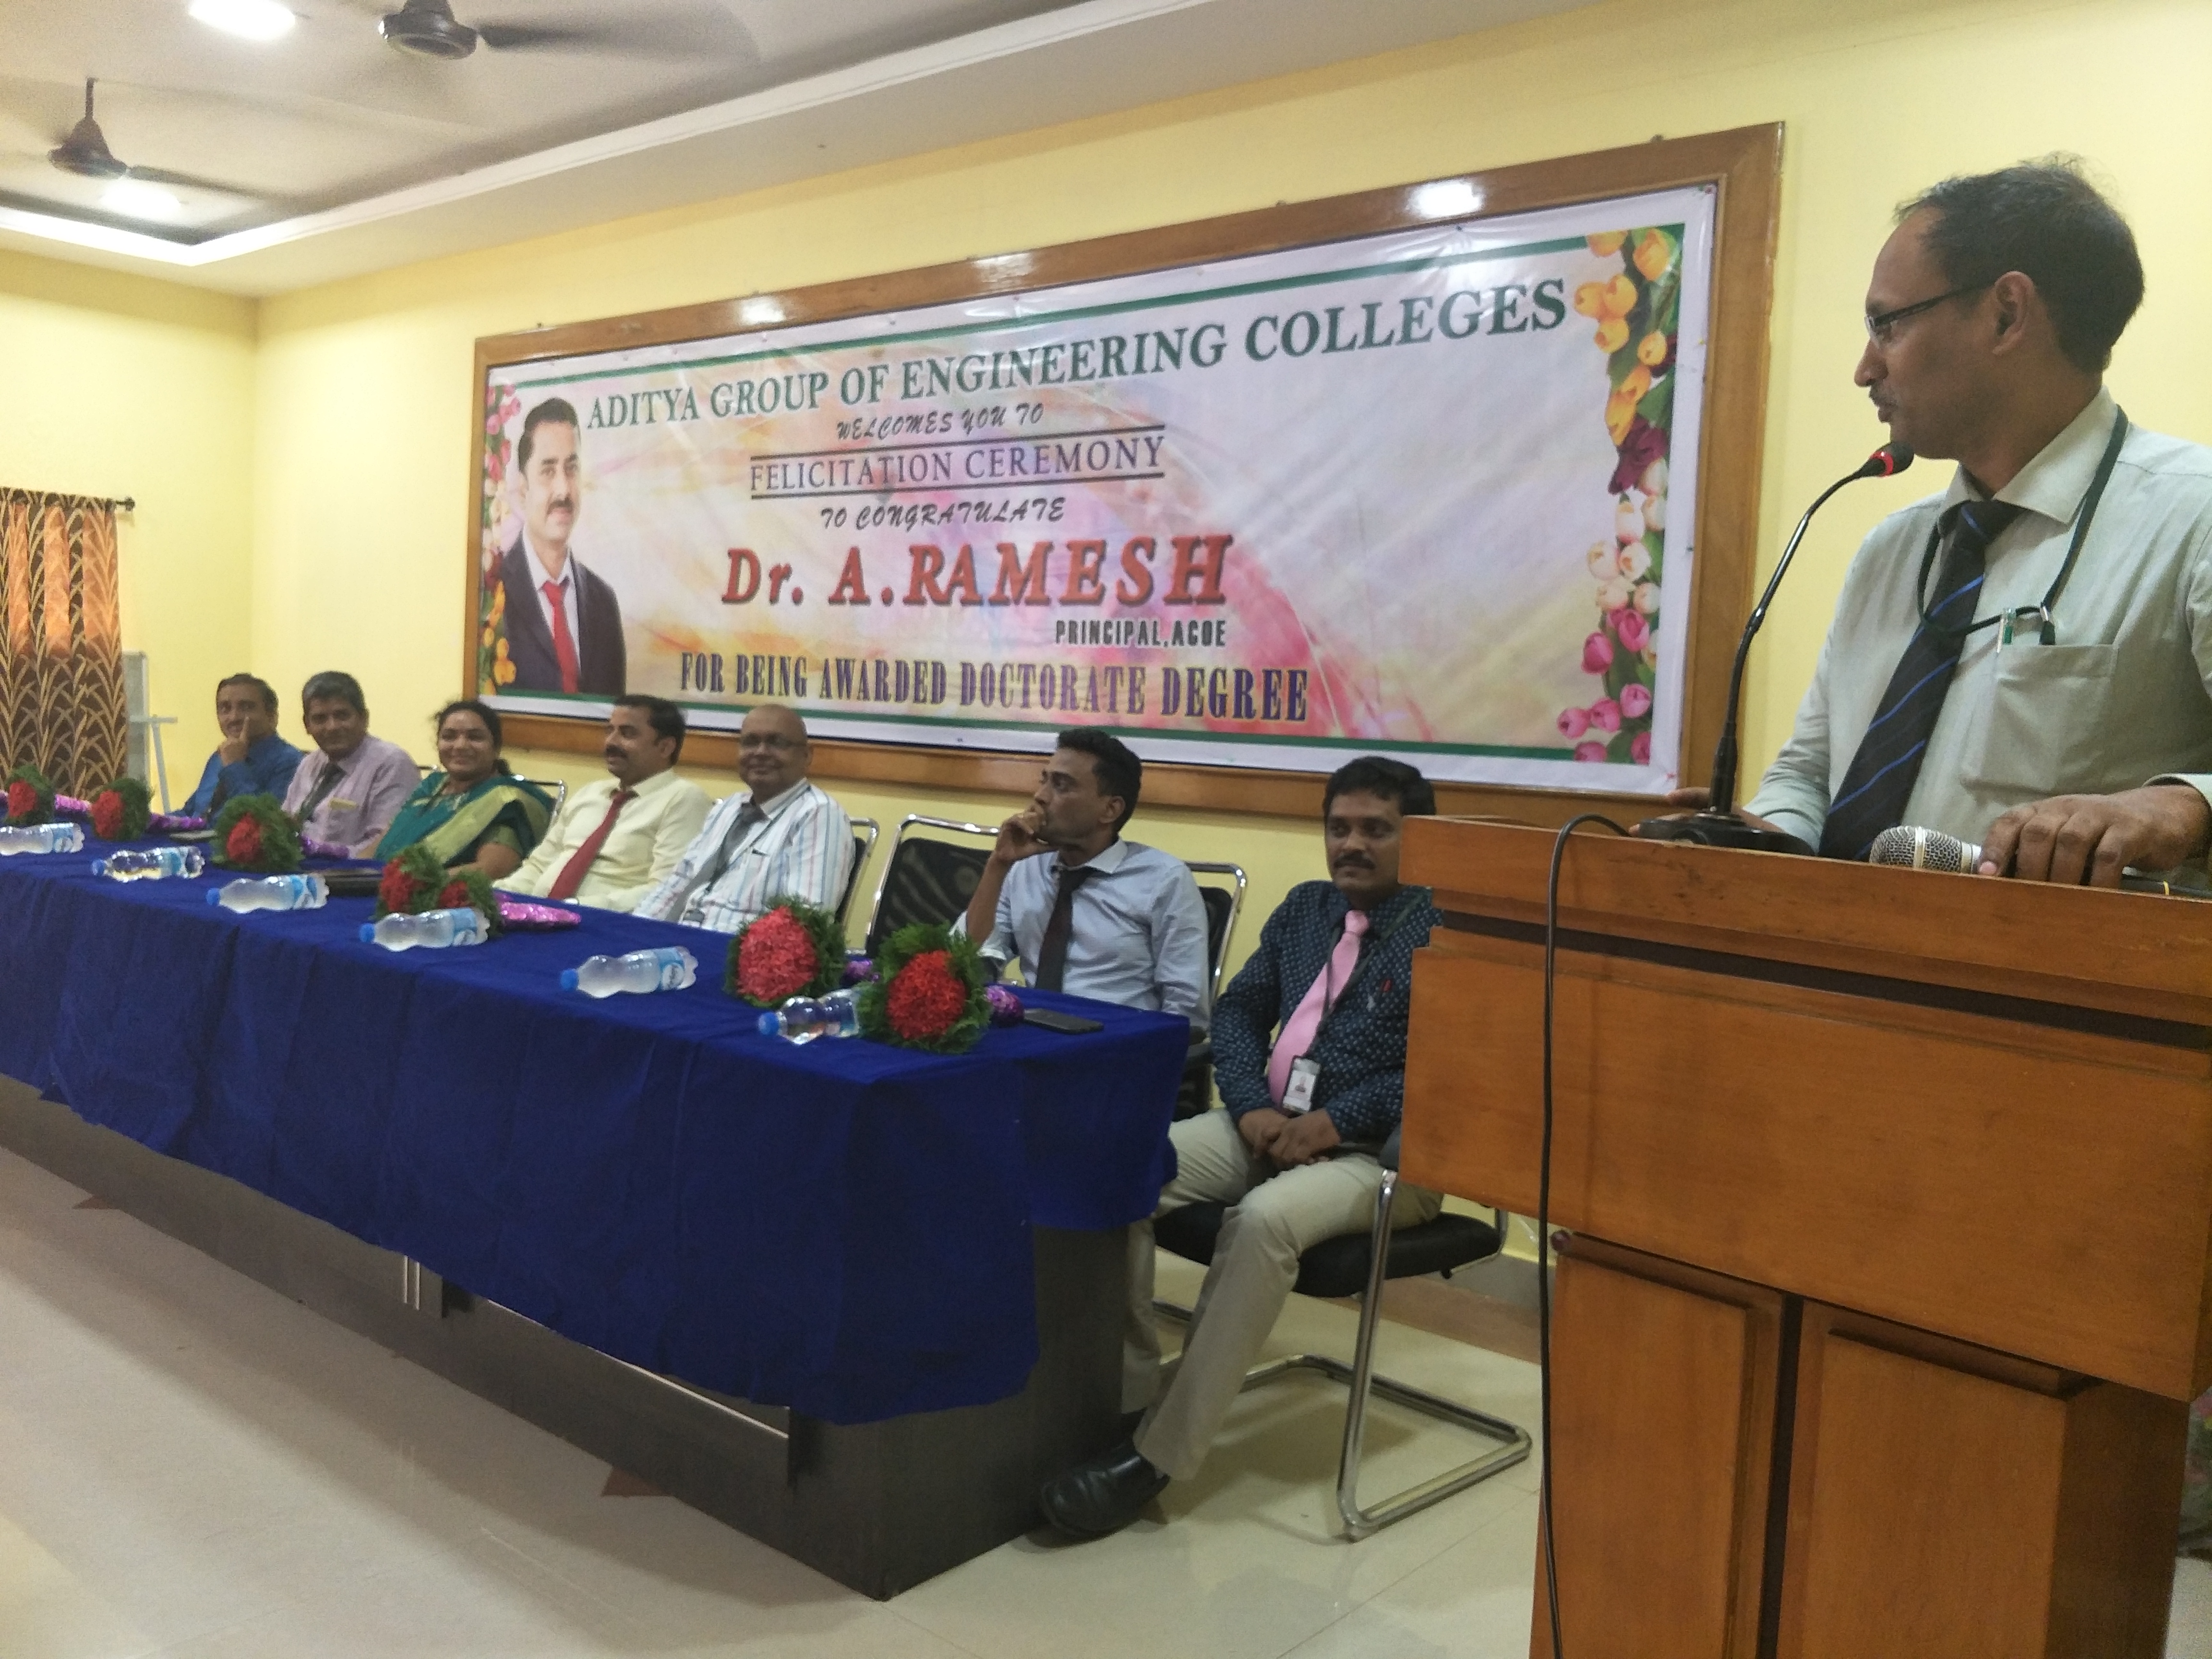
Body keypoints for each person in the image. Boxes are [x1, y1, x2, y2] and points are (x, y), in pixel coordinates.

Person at [1666, 159, 2212, 881]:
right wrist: (1759, 839)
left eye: (1887, 324)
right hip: (1834, 949)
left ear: (2007, 314)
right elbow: (1810, 776)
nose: (1865, 369)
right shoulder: (1892, 549)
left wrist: (2183, 808)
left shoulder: (2194, 517)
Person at [1039, 756, 1443, 1538]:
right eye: (1339, 828)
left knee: (1261, 1220)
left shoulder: (1447, 931)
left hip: (1386, 1154)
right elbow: (1237, 1012)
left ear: (1419, 839)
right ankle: (1122, 1398)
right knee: (1120, 1164)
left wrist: (1337, 1118)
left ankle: (1154, 1456)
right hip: (1265, 1126)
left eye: (1376, 830)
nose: (1351, 845)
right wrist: (1252, 1105)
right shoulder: (1306, 908)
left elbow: (1448, 1064)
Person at [957, 729, 1210, 1026]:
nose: (1040, 796)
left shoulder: (1164, 881)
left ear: (1110, 809)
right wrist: (998, 865)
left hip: (1117, 1041)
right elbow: (963, 960)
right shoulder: (1027, 867)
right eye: (1044, 780)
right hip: (1033, 1032)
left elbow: (1186, 1014)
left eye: (1062, 785)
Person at [634, 703, 852, 930]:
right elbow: (678, 882)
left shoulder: (819, 814)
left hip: (736, 948)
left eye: (777, 742)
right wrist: (634, 930)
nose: (760, 752)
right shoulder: (727, 808)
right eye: (750, 742)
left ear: (806, 755)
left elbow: (806, 920)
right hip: (681, 939)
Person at [502, 696, 710, 911]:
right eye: (609, 731)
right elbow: (538, 866)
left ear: (665, 747)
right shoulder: (590, 793)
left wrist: (578, 908)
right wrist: (496, 896)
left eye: (627, 734)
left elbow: (669, 890)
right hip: (536, 916)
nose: (611, 742)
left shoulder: (684, 799)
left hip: (606, 922)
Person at [498, 397, 625, 695]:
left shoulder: (604, 603)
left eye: (571, 468)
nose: (563, 490)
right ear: (523, 488)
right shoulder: (493, 595)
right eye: (548, 470)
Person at [373, 700, 553, 880]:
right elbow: (383, 841)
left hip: (440, 894)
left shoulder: (505, 801)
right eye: (449, 737)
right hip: (382, 884)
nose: (460, 746)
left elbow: (492, 869)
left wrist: (411, 884)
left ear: (496, 748)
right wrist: (359, 871)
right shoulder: (432, 786)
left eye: (475, 737)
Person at [278, 671, 418, 857]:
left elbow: (387, 845)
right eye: (320, 719)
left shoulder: (391, 763)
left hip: (355, 873)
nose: (332, 727)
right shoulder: (309, 763)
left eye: (342, 716)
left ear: (364, 718)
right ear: (307, 725)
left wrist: (325, 853)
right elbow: (286, 823)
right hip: (300, 869)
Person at [180, 674, 303, 817]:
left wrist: (235, 767)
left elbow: (266, 821)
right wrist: (158, 821)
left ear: (272, 716)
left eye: (246, 708)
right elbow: (191, 813)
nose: (234, 718)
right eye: (225, 709)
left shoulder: (291, 763)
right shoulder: (220, 757)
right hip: (196, 831)